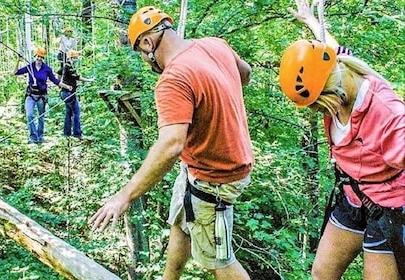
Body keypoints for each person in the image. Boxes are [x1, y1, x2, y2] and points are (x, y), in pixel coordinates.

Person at [89, 6, 253, 280]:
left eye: (141, 53)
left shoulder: (173, 79)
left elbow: (171, 145)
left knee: (219, 260)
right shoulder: (214, 45)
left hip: (214, 179)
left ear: (147, 42)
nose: (144, 60)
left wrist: (124, 196)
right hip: (206, 166)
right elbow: (245, 74)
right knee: (181, 222)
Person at [279, 0, 405, 279]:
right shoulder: (337, 66)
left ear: (335, 92)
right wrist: (312, 20)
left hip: (390, 206)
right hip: (353, 194)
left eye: (321, 106)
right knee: (322, 273)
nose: (319, 113)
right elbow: (327, 50)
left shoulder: (388, 116)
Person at [14, 47, 72, 144]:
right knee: (29, 115)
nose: (39, 58)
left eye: (41, 57)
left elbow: (55, 81)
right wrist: (18, 61)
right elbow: (15, 72)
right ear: (35, 56)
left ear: (43, 58)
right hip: (31, 95)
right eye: (38, 56)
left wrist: (67, 87)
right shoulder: (30, 67)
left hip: (41, 96)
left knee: (41, 116)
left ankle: (40, 137)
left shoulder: (47, 69)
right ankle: (33, 137)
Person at [57, 50, 94, 139]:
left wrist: (60, 84)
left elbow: (59, 73)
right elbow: (77, 77)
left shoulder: (66, 66)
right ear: (71, 58)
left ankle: (67, 133)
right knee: (76, 112)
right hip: (68, 93)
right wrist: (89, 80)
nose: (76, 59)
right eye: (75, 58)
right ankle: (77, 134)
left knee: (68, 112)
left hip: (66, 93)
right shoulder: (69, 66)